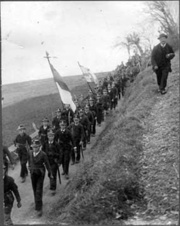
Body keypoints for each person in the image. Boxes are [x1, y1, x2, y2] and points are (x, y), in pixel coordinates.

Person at [28, 139, 53, 217]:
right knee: (35, 190)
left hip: (40, 173)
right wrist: (29, 167)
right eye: (33, 147)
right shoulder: (30, 152)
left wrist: (50, 173)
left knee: (39, 190)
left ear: (39, 147)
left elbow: (47, 164)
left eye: (36, 147)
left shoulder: (43, 154)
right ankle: (38, 203)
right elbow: (29, 160)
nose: (34, 149)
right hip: (33, 173)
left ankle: (38, 209)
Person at [42, 131, 61, 195]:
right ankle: (52, 185)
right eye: (49, 136)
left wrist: (58, 161)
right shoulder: (45, 144)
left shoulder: (56, 144)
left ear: (54, 136)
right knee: (50, 173)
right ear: (47, 137)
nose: (51, 137)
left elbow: (60, 153)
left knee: (53, 173)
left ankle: (53, 188)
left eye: (52, 136)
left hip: (54, 162)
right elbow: (42, 152)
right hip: (47, 162)